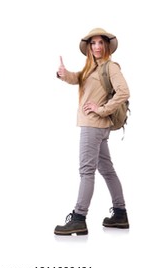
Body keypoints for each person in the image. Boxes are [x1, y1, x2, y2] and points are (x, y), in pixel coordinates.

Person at [53, 28, 130, 236]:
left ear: (106, 46)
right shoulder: (91, 68)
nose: (97, 47)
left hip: (93, 126)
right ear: (89, 47)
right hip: (98, 127)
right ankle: (120, 213)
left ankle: (79, 218)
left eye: (100, 43)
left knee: (86, 172)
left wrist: (102, 109)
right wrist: (64, 74)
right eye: (93, 43)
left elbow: (124, 92)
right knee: (107, 170)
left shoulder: (110, 67)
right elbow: (78, 78)